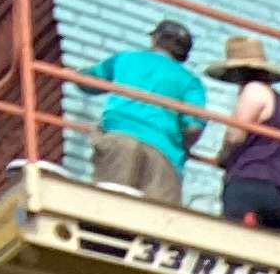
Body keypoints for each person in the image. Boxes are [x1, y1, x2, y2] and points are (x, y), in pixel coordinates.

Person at [82, 20, 204, 205]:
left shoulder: (127, 59)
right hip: (163, 154)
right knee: (155, 224)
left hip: (119, 140)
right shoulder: (190, 82)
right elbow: (194, 127)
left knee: (106, 211)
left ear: (156, 39)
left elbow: (87, 81)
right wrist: (182, 145)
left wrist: (72, 73)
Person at [205, 35, 280, 234]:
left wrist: (222, 158)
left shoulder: (254, 90)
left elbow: (235, 135)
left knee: (232, 242)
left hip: (252, 185)